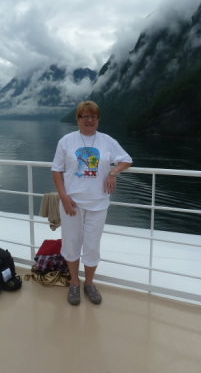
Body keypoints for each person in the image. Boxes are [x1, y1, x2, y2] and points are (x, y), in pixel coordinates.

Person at [51, 101, 132, 305]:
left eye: (93, 117)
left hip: (98, 203)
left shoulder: (107, 141)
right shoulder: (66, 141)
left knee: (92, 247)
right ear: (78, 119)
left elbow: (127, 160)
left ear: (98, 120)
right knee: (71, 244)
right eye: (84, 116)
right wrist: (64, 197)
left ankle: (89, 283)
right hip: (72, 204)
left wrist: (113, 172)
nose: (89, 120)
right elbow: (57, 170)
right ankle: (74, 283)